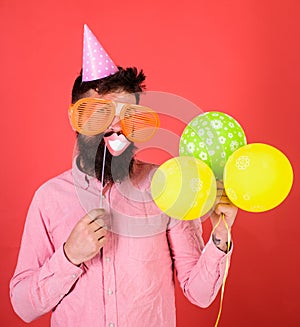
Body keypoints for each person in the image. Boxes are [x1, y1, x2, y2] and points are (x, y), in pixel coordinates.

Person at [10, 26, 238, 327]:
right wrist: (69, 256)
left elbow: (199, 293)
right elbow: (24, 307)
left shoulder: (167, 186)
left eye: (127, 116)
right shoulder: (49, 198)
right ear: (77, 119)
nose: (115, 128)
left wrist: (221, 233)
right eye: (100, 114)